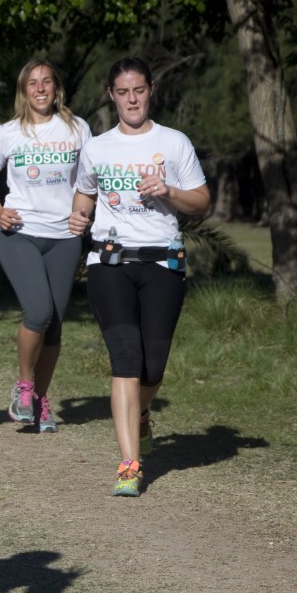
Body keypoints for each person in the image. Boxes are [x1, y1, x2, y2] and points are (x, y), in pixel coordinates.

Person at [68, 56, 210, 496]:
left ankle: (141, 414)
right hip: (110, 261)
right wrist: (79, 217)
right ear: (111, 96)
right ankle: (129, 464)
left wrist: (168, 190)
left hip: (163, 261)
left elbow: (202, 200)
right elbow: (84, 194)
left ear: (150, 91)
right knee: (126, 359)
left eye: (139, 90)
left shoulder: (174, 143)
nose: (132, 99)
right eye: (123, 92)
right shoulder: (97, 147)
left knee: (153, 368)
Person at [0, 60, 92, 433]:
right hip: (20, 233)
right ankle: (24, 388)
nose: (40, 88)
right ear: (23, 91)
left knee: (55, 328)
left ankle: (41, 402)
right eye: (32, 83)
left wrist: (82, 213)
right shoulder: (7, 133)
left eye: (47, 82)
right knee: (39, 312)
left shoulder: (78, 129)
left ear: (57, 88)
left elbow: (88, 181)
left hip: (64, 238)